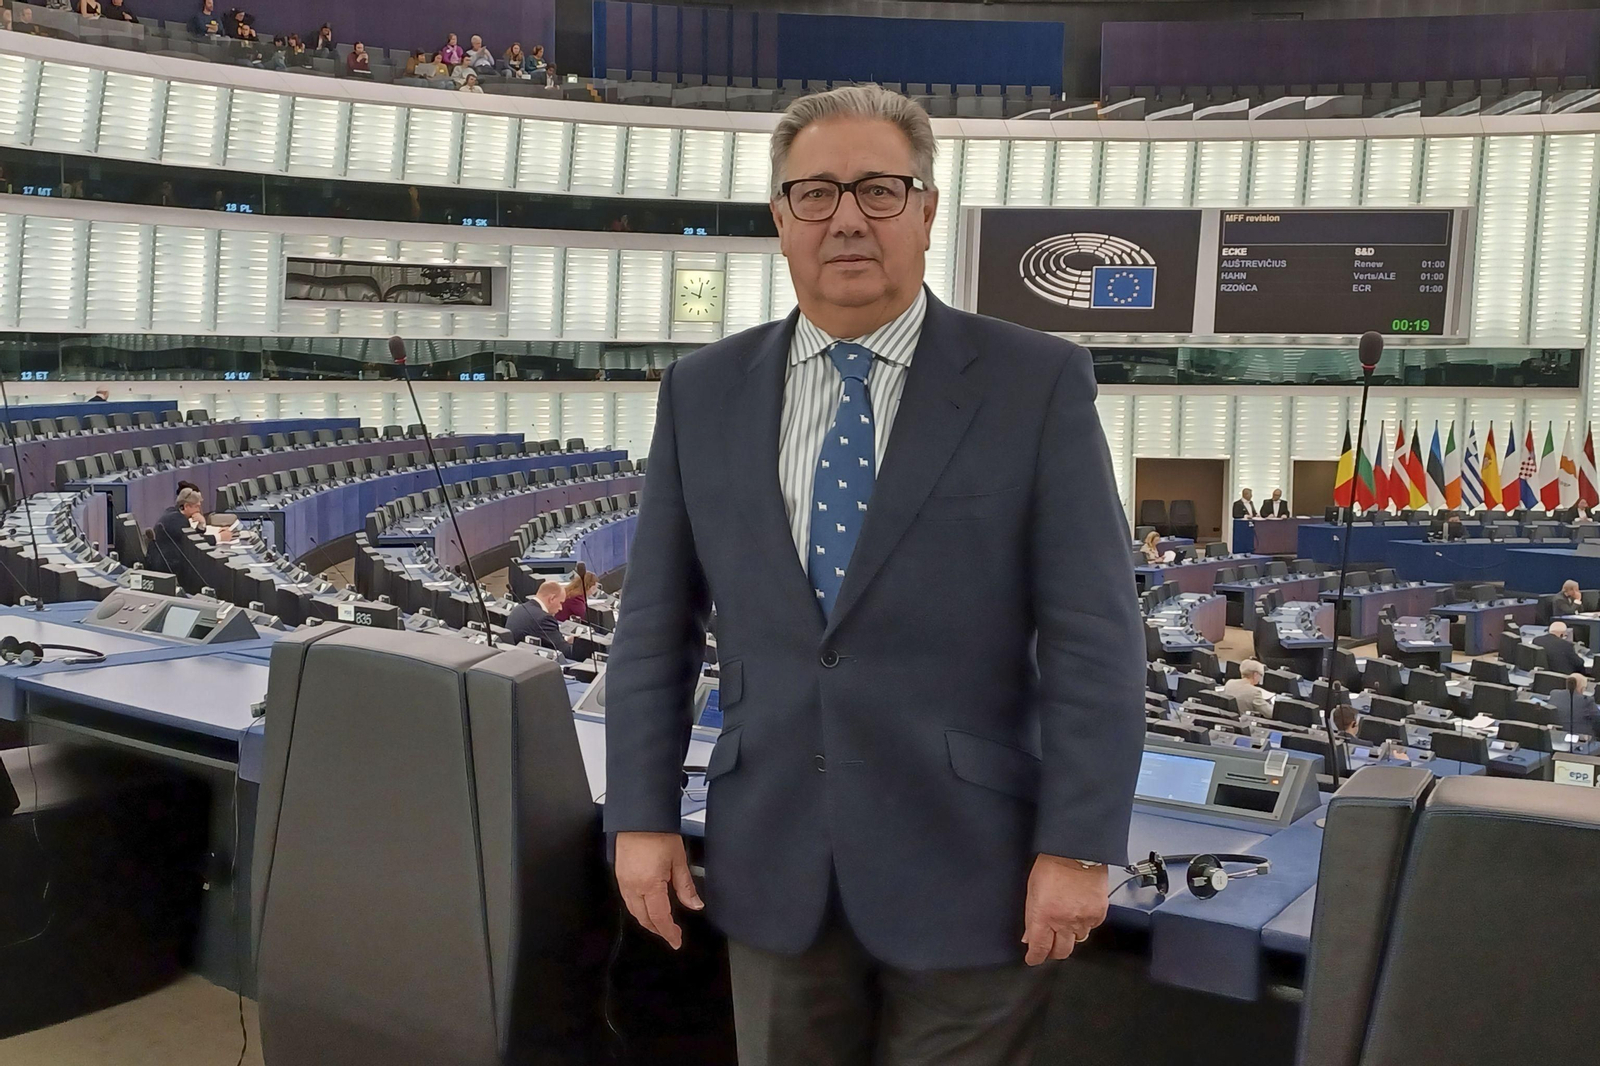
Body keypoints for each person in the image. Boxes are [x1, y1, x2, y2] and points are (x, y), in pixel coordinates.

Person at [604, 85, 1144, 1066]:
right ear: (779, 218)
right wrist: (639, 815)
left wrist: (1077, 844)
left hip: (974, 869)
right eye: (813, 192)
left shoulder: (1036, 383)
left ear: (928, 210)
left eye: (880, 190)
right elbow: (654, 625)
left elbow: (1093, 635)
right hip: (771, 864)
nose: (846, 217)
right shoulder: (701, 391)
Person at [152, 487, 230, 592]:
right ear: (187, 506)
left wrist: (201, 524)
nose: (199, 510)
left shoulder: (173, 513)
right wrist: (219, 537)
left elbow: (190, 537)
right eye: (197, 506)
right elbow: (193, 542)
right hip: (171, 567)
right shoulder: (177, 520)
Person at [505, 581, 574, 657]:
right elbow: (565, 652)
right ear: (552, 598)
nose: (561, 608)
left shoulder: (518, 608)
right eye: (560, 603)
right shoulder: (544, 619)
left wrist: (566, 639)